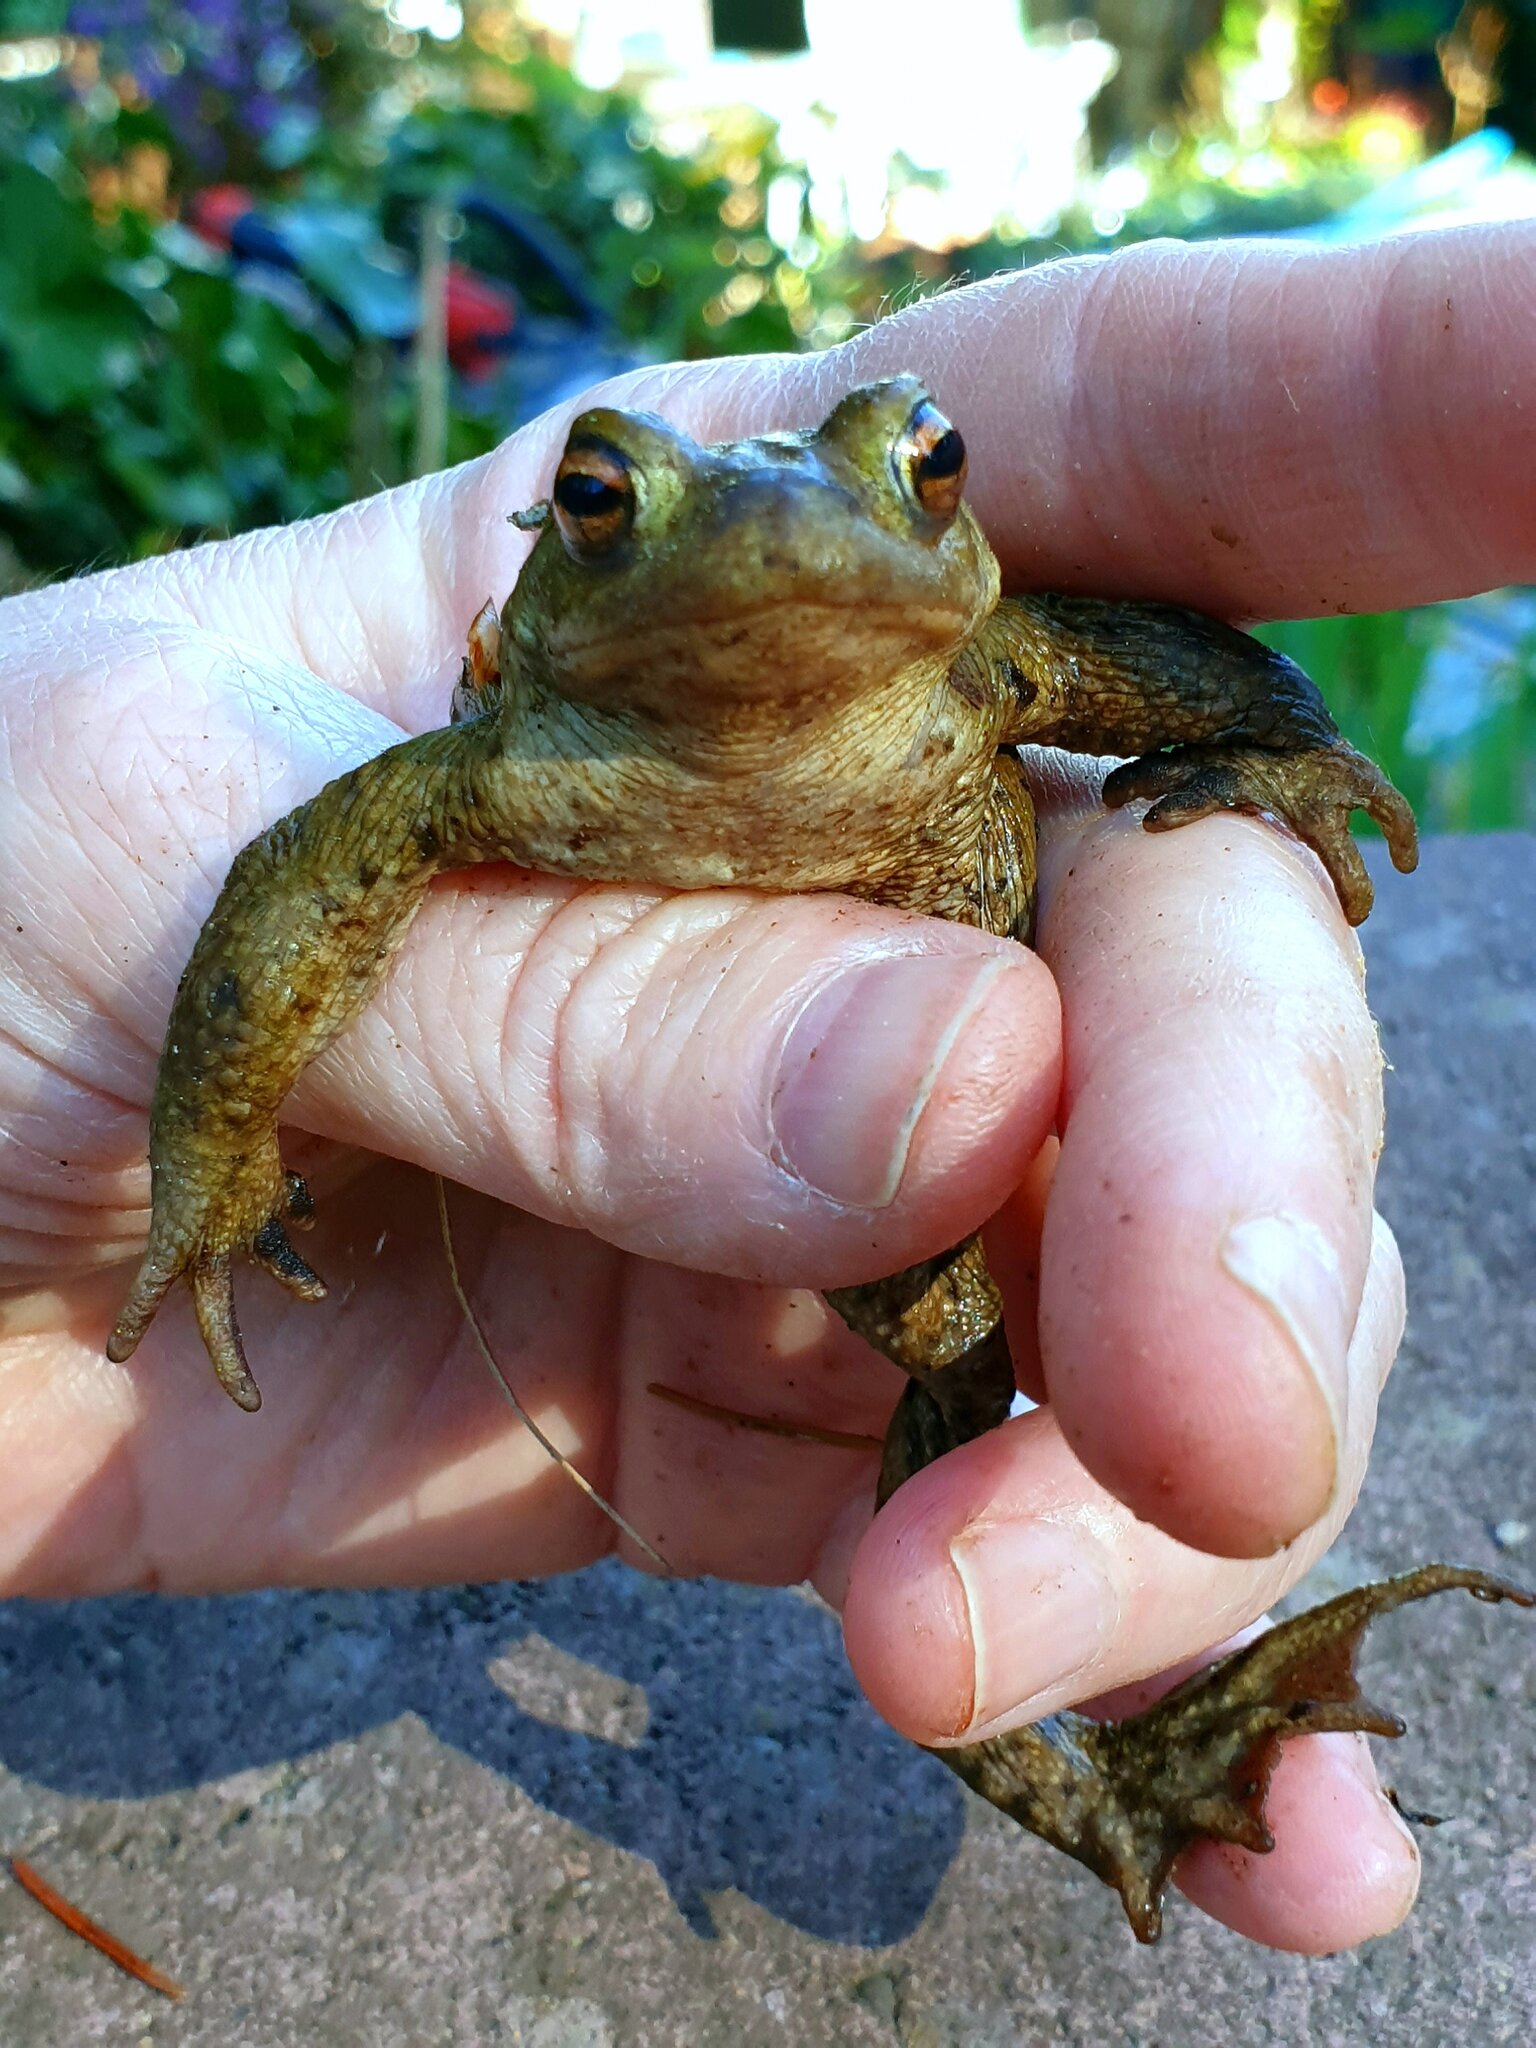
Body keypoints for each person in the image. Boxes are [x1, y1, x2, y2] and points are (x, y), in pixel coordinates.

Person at [0, 224, 1529, 1954]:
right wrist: (208, 1159)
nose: (788, 541)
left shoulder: (979, 660)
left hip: (956, 1201)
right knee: (977, 1366)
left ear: (949, 515)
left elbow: (1182, 671)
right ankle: (1103, 1770)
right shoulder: (508, 756)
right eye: (603, 500)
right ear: (550, 566)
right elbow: (295, 876)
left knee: (993, 1377)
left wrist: (1282, 749)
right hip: (712, 1212)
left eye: (922, 468)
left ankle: (1119, 1786)